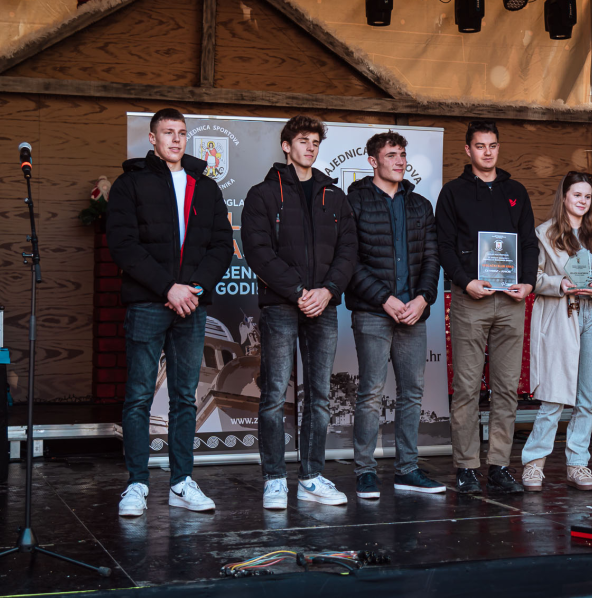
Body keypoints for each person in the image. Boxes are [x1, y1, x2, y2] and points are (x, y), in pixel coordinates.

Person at [107, 108, 234, 516]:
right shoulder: (130, 184)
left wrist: (194, 288)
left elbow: (220, 245)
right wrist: (168, 287)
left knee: (184, 397)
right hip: (149, 302)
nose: (176, 140)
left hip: (192, 304)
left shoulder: (205, 186)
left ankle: (182, 481)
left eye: (181, 133)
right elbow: (123, 245)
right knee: (140, 396)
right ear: (152, 139)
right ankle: (136, 485)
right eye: (168, 133)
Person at [241, 115, 358, 510]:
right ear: (286, 145)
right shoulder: (263, 194)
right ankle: (275, 478)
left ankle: (311, 476)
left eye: (315, 142)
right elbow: (258, 251)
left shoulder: (334, 195)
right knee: (274, 395)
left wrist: (326, 291)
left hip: (323, 307)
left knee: (320, 396)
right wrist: (297, 291)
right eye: (303, 140)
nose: (310, 147)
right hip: (280, 306)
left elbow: (348, 251)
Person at [436, 120, 538, 494]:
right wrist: (466, 281)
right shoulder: (452, 193)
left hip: (511, 301)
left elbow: (529, 242)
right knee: (465, 387)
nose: (487, 152)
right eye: (480, 146)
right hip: (470, 300)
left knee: (507, 388)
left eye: (493, 145)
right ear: (468, 150)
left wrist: (528, 281)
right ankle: (466, 466)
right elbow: (443, 246)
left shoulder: (516, 191)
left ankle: (498, 465)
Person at [346, 131, 444, 498]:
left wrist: (423, 299)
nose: (400, 160)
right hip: (373, 312)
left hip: (413, 314)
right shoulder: (354, 202)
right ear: (373, 161)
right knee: (371, 392)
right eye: (391, 155)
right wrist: (385, 298)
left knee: (412, 394)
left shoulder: (420, 205)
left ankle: (407, 470)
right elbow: (350, 262)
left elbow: (432, 258)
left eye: (403, 154)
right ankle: (365, 473)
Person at [520, 172, 592, 492]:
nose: (582, 200)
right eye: (577, 194)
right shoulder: (544, 234)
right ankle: (534, 464)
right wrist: (559, 284)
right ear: (564, 197)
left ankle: (578, 462)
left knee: (586, 399)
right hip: (560, 316)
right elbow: (532, 278)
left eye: (587, 196)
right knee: (554, 396)